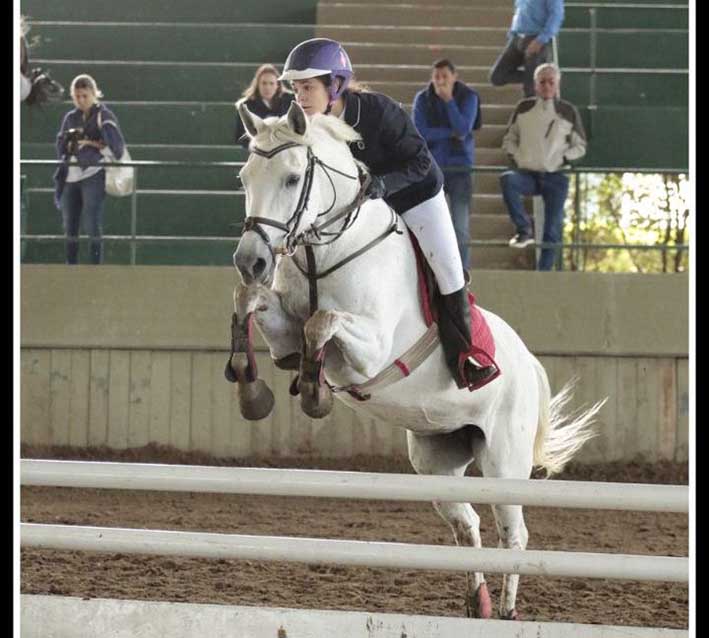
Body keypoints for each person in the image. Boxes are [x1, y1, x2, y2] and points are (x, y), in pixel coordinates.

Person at [277, 38, 497, 390]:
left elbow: (422, 162)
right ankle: (315, 356)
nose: (299, 98)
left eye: (307, 88)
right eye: (295, 89)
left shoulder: (378, 111)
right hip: (365, 209)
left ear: (334, 85)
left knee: (448, 271)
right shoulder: (310, 127)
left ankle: (466, 358)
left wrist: (385, 184)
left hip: (416, 196)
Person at [500, 63, 586, 271]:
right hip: (527, 173)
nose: (547, 86)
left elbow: (580, 145)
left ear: (557, 85)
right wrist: (517, 156)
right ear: (535, 85)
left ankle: (544, 272)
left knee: (552, 227)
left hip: (555, 176)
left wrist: (564, 158)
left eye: (551, 82)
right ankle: (523, 229)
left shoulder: (567, 111)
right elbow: (509, 138)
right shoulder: (523, 108)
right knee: (507, 180)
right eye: (542, 82)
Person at [412, 59, 481, 277]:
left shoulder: (468, 97)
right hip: (433, 168)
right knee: (431, 222)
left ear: (454, 77)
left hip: (460, 167)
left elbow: (463, 128)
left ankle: (462, 273)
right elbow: (421, 133)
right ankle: (432, 270)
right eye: (436, 77)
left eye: (444, 76)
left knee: (460, 226)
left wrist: (449, 101)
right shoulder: (423, 99)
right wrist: (450, 133)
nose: (440, 81)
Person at [53, 74, 126, 265]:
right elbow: (60, 147)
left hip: (93, 173)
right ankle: (71, 268)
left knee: (92, 224)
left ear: (94, 94)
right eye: (77, 96)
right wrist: (69, 144)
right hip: (70, 175)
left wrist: (91, 143)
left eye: (85, 95)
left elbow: (117, 148)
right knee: (70, 227)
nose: (81, 100)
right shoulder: (70, 117)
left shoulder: (105, 116)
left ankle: (94, 270)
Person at [489, 0, 564, 98]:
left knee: (530, 90)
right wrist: (512, 33)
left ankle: (537, 83)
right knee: (497, 76)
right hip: (517, 37)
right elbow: (519, 10)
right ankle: (540, 78)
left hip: (536, 38)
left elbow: (556, 15)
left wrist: (541, 40)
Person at [234, 64, 295, 148]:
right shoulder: (246, 106)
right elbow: (241, 137)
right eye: (264, 83)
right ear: (257, 85)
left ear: (278, 85)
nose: (267, 87)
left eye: (271, 83)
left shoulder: (289, 101)